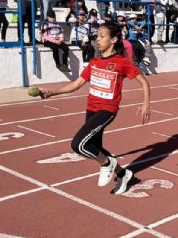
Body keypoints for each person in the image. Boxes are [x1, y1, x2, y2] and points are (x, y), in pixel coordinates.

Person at [37, 23, 151, 192]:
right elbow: (76, 84)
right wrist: (52, 92)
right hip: (91, 109)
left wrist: (146, 105)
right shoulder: (95, 62)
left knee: (78, 145)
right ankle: (123, 174)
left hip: (107, 110)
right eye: (97, 35)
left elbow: (143, 81)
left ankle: (107, 163)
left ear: (113, 39)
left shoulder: (122, 62)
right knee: (94, 147)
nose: (97, 39)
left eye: (102, 36)